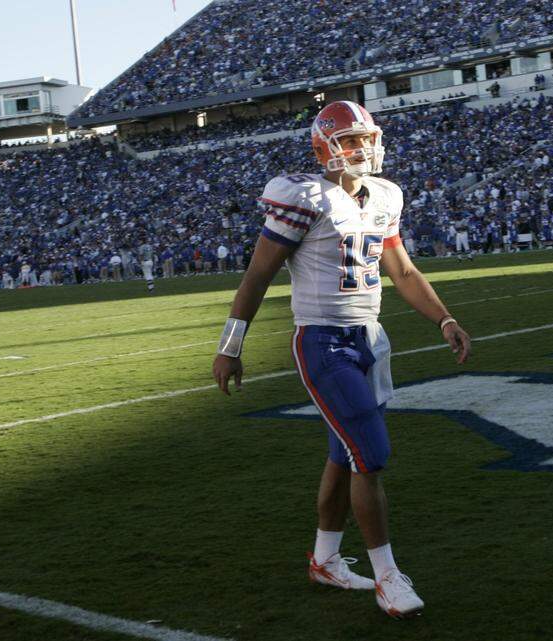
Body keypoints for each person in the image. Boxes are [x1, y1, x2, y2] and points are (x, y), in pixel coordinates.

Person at [211, 101, 472, 619]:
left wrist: (444, 319)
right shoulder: (304, 196)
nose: (362, 148)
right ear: (322, 148)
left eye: (366, 137)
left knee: (344, 454)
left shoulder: (385, 196)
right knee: (370, 454)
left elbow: (402, 271)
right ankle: (388, 576)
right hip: (323, 342)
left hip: (368, 339)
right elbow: (257, 276)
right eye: (350, 140)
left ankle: (326, 559)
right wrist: (230, 346)